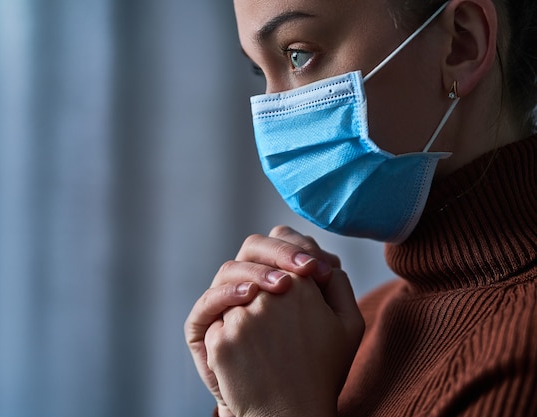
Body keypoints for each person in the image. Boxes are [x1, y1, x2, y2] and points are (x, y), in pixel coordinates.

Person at [185, 0, 537, 415]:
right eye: (260, 72)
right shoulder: (339, 334)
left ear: (461, 44)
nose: (272, 116)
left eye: (298, 55)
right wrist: (239, 401)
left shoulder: (520, 352)